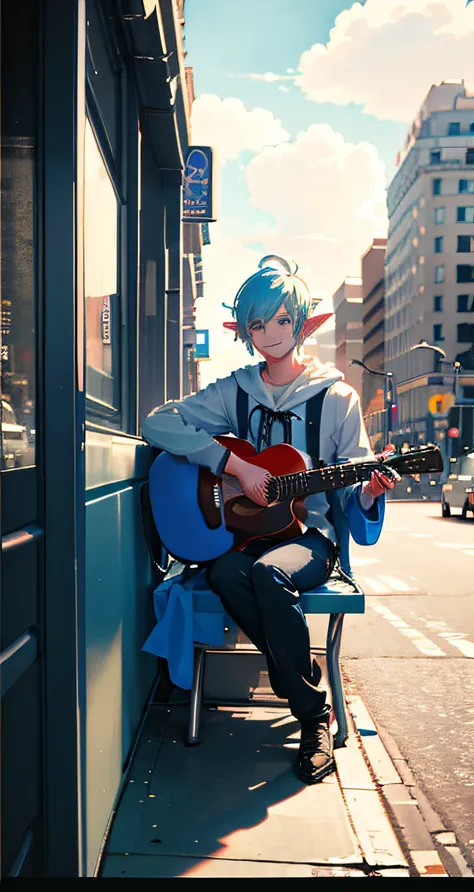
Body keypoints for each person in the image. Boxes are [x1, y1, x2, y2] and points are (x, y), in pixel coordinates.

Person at [142, 255, 398, 785]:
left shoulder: (338, 398)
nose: (269, 334)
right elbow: (158, 422)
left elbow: (354, 499)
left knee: (267, 573)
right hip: (247, 534)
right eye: (257, 324)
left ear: (302, 322)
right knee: (226, 572)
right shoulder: (235, 391)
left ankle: (310, 720)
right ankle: (310, 689)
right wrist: (233, 464)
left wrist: (371, 492)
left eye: (281, 320)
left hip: (308, 539)